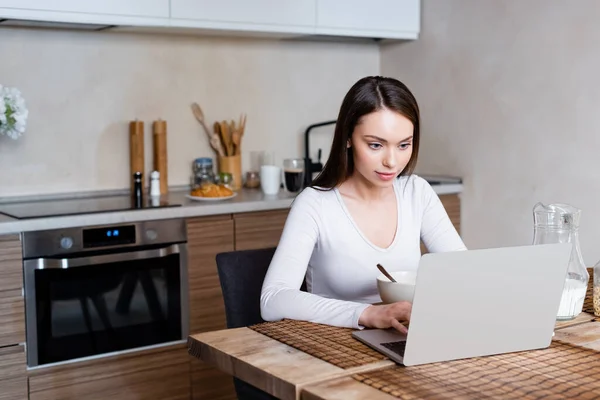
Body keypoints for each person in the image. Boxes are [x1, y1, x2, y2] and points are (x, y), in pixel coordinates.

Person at [260, 76, 466, 334]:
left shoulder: (417, 193)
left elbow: (463, 274)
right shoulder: (315, 204)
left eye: (404, 145)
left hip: (403, 340)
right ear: (348, 138)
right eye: (375, 145)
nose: (392, 161)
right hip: (334, 346)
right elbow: (273, 299)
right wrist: (367, 313)